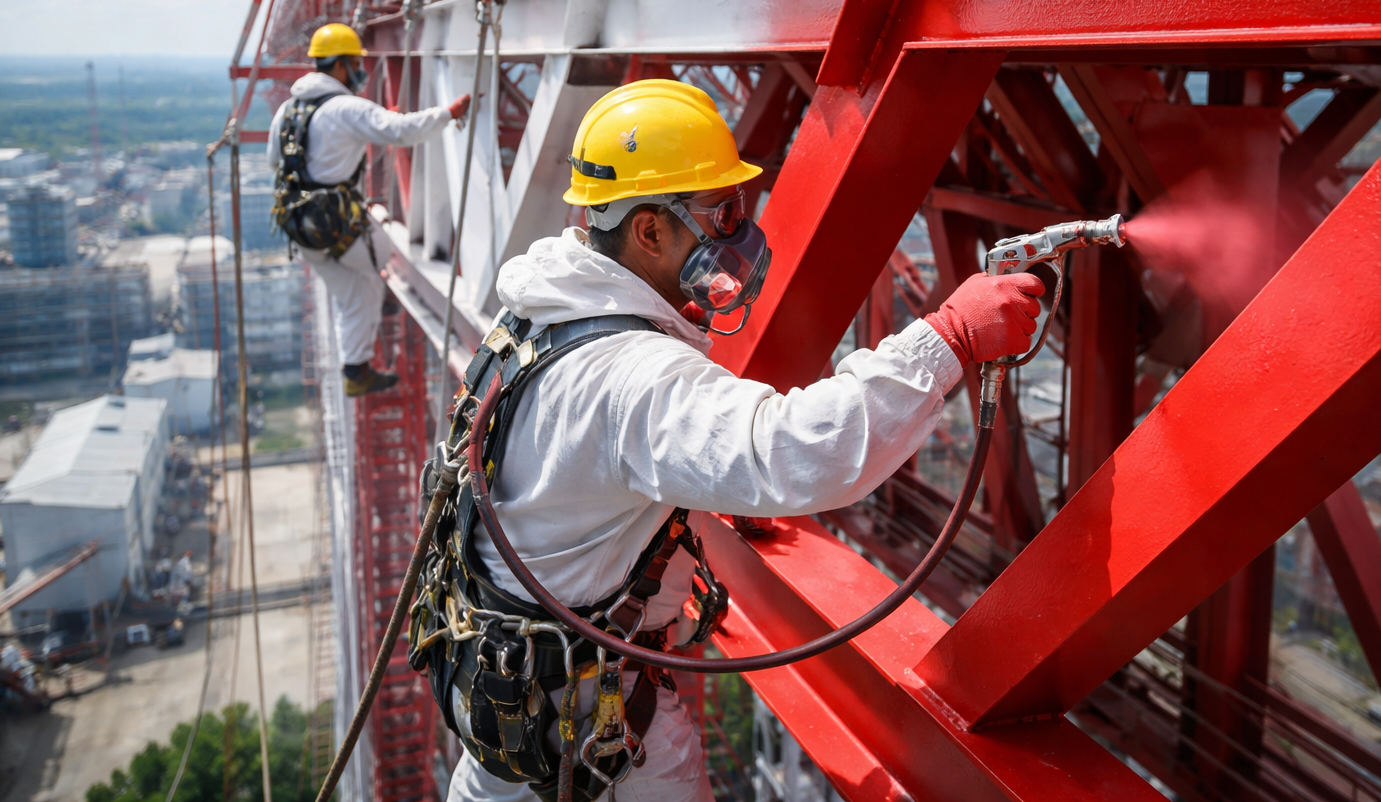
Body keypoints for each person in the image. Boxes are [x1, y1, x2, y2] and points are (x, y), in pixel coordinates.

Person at [440, 79, 1043, 802]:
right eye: (719, 212)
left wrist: (701, 486)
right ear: (649, 232)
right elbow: (798, 452)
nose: (737, 234)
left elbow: (586, 468)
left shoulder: (539, 315)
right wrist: (949, 339)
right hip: (593, 731)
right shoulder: (631, 375)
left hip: (501, 703)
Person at [267, 23, 470, 396]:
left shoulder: (286, 112)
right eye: (355, 63)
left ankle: (355, 369)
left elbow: (274, 160)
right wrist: (447, 113)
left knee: (359, 292)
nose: (360, 71)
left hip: (302, 228)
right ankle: (356, 366)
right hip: (338, 226)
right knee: (381, 252)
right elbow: (401, 131)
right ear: (342, 65)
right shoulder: (346, 107)